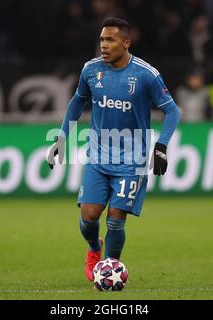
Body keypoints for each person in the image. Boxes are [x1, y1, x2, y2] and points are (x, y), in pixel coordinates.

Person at [47, 17, 181, 282]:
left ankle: (109, 271)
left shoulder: (146, 74)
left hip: (133, 160)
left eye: (110, 40)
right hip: (98, 156)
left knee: (116, 219)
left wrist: (162, 147)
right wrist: (61, 138)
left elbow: (172, 110)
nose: (104, 45)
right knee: (89, 216)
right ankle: (95, 248)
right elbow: (77, 103)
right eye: (101, 40)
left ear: (126, 43)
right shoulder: (91, 70)